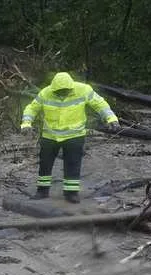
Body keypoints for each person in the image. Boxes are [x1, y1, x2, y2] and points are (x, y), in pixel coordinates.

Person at [20, 71, 119, 203]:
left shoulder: (83, 90)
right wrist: (26, 124)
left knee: (73, 163)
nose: (62, 93)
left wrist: (111, 118)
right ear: (53, 87)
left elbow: (100, 104)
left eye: (65, 91)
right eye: (58, 91)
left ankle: (71, 193)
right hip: (50, 135)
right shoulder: (45, 93)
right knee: (45, 163)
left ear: (71, 86)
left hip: (74, 134)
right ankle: (42, 191)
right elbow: (32, 108)